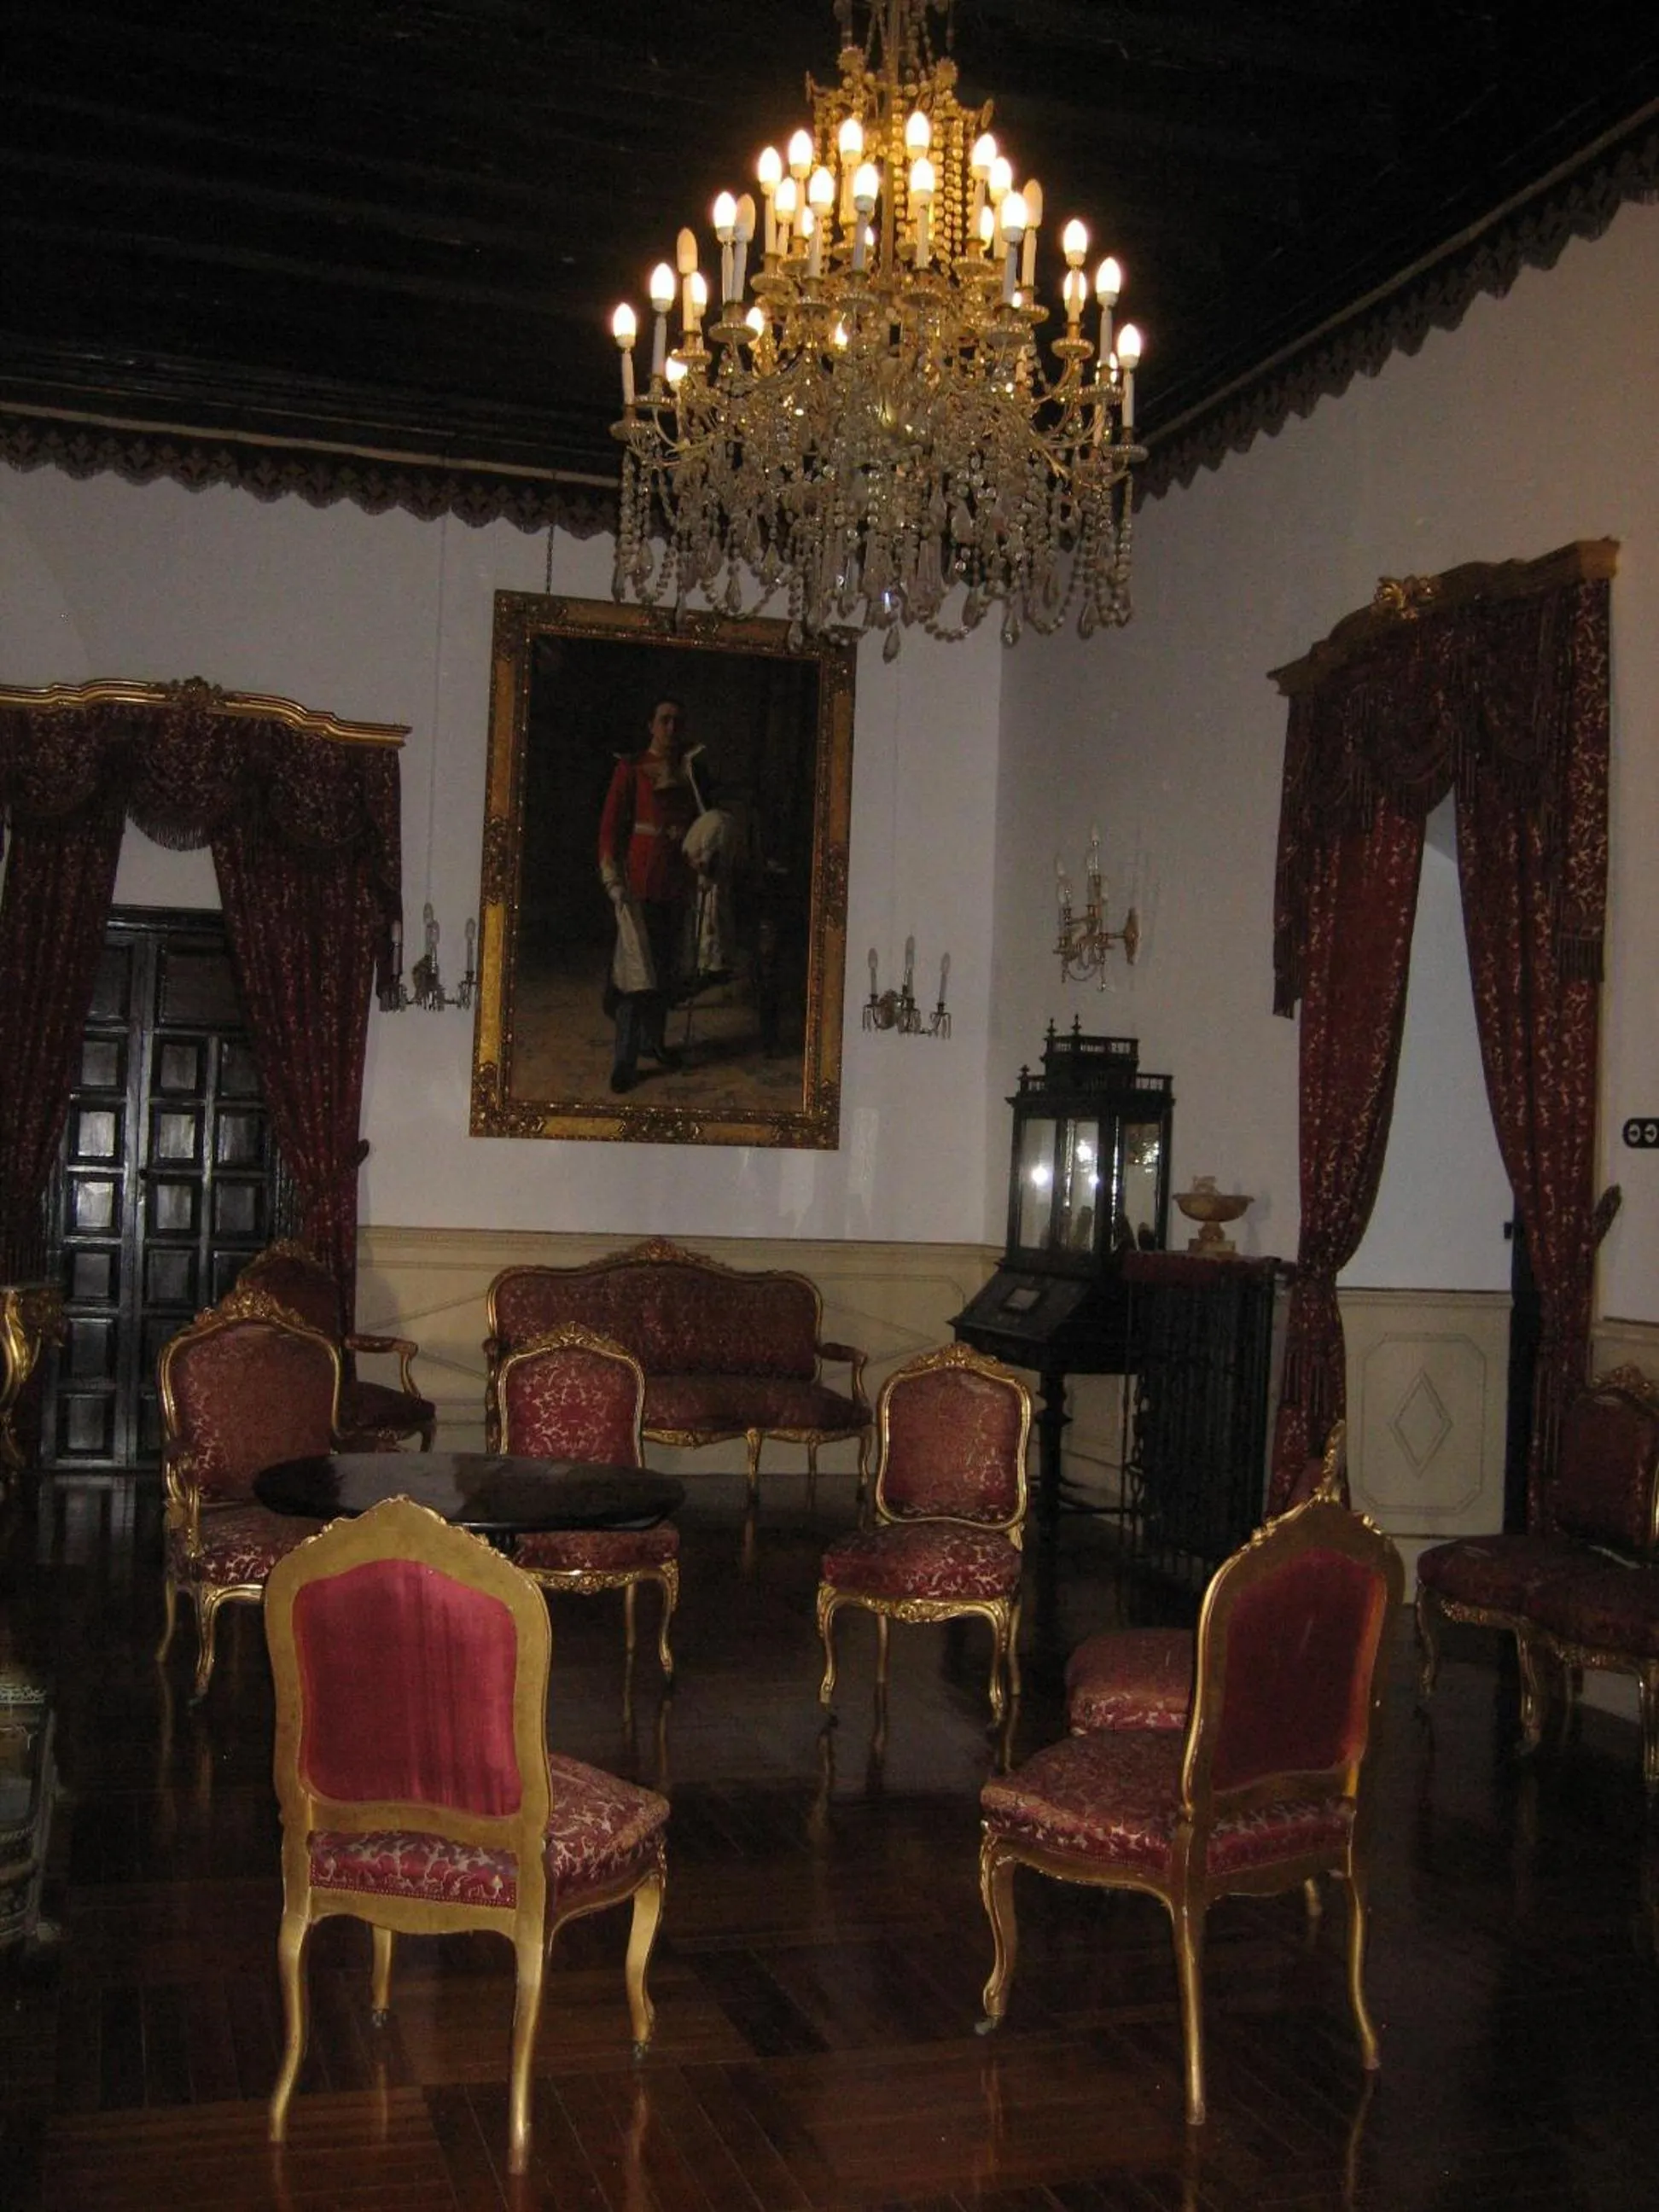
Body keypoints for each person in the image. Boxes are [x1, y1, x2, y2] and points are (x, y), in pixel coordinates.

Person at [597, 696, 701, 1093]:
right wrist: (613, 878)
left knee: (664, 974)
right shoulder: (631, 769)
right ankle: (624, 1062)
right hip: (639, 883)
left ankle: (654, 1044)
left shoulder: (689, 771)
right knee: (634, 977)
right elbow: (610, 829)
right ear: (651, 726)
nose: (671, 728)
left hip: (675, 884)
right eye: (665, 720)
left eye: (677, 721)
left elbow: (700, 824)